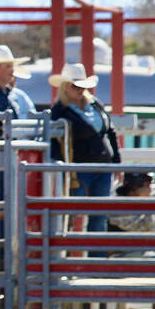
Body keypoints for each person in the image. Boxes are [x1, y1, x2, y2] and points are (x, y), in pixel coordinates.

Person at [49, 62, 121, 237]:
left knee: (99, 215)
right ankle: (67, 254)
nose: (80, 91)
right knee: (71, 213)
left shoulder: (95, 104)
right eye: (75, 86)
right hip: (78, 169)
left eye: (82, 86)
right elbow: (55, 142)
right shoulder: (60, 111)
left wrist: (117, 161)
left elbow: (110, 132)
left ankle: (95, 257)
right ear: (65, 87)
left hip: (103, 166)